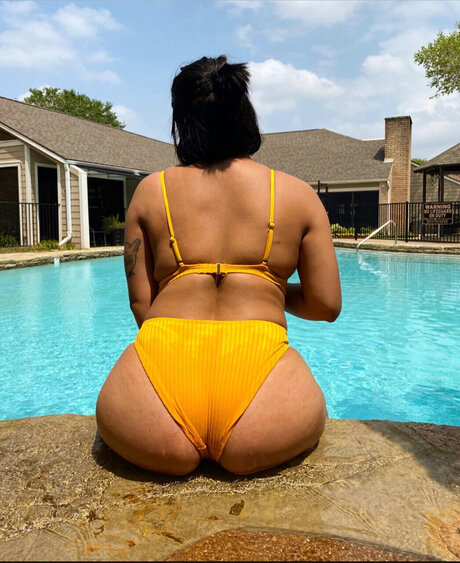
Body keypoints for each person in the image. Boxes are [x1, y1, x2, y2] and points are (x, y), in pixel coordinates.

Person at [96, 55, 342, 476]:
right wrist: (265, 288)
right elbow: (325, 305)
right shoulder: (297, 194)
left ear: (180, 123)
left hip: (151, 399)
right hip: (267, 402)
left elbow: (143, 305)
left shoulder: (150, 191)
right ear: (245, 113)